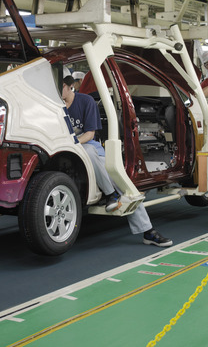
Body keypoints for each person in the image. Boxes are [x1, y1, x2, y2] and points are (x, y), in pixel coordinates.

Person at [60, 75, 172, 247]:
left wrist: (70, 144)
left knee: (121, 183)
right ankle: (111, 194)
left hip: (91, 149)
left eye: (59, 87)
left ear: (69, 86)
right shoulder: (55, 107)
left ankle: (147, 230)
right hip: (67, 152)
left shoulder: (86, 102)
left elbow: (89, 134)